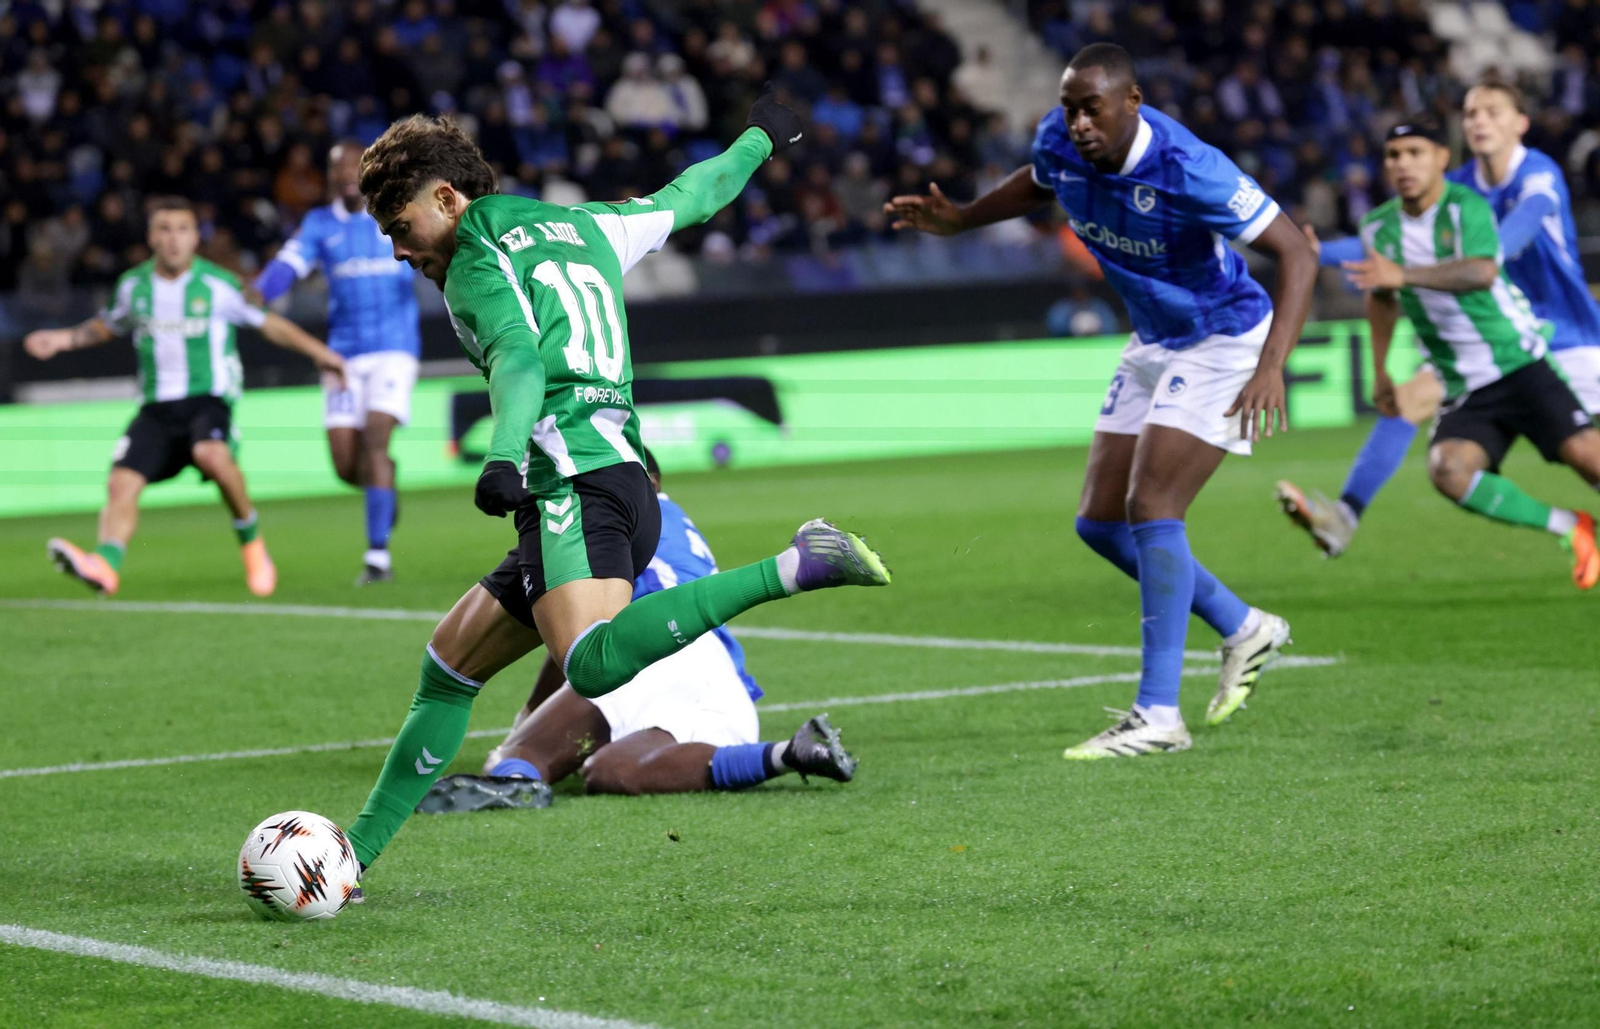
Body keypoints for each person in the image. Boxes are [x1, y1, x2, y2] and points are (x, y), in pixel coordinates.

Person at [341, 89, 889, 884]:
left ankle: (797, 564)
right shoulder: (587, 225)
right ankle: (354, 855)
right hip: (619, 482)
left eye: (400, 227)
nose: (399, 250)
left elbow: (518, 360)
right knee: (448, 667)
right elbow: (694, 194)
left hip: (573, 483)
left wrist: (501, 456)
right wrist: (762, 137)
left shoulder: (474, 258)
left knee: (591, 662)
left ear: (448, 198)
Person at [885, 43, 1316, 759]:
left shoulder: (1188, 167)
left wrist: (1273, 365)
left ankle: (1158, 715)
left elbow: (1297, 252)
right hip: (1154, 336)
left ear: (1132, 103)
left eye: (1092, 109)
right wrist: (963, 218)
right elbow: (1038, 181)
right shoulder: (1060, 142)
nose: (1079, 123)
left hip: (1222, 336)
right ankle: (1246, 628)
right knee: (1100, 523)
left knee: (1153, 506)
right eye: (1070, 109)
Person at [418, 450, 856, 813]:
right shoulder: (669, 519)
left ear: (649, 480)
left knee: (523, 758)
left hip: (651, 651)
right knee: (605, 771)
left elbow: (575, 632)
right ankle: (786, 753)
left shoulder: (608, 513)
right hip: (704, 672)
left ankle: (514, 780)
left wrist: (530, 717)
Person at [1279, 81, 1600, 563]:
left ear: (1521, 123)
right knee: (1411, 407)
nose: (1479, 121)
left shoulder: (1537, 175)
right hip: (1491, 334)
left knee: (1589, 458)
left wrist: (1457, 258)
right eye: (1470, 113)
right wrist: (1319, 251)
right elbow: (1387, 246)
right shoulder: (1459, 185)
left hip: (1564, 332)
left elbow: (1505, 243)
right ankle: (1344, 516)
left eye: (1492, 111)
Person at [24, 196, 345, 598]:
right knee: (120, 483)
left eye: (182, 229)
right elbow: (109, 325)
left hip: (207, 400)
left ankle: (252, 545)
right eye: (165, 229)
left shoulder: (219, 285)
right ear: (151, 237)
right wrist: (63, 339)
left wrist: (322, 355)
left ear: (195, 238)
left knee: (212, 455)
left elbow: (269, 325)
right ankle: (105, 565)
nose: (173, 239)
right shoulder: (134, 287)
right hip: (156, 409)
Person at [253, 140, 422, 585]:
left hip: (394, 349)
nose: (347, 174)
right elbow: (289, 264)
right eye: (339, 168)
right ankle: (384, 489)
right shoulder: (319, 224)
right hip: (342, 356)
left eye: (354, 166)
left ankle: (377, 556)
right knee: (346, 465)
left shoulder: (395, 212)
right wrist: (258, 293)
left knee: (375, 443)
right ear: (330, 176)